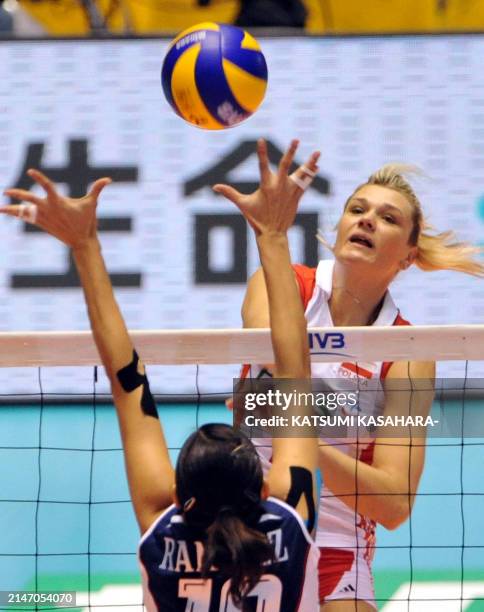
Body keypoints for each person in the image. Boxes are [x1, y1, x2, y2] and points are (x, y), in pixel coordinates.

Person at [1, 139, 321, 611]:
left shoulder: (162, 532)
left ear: (176, 493)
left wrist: (83, 244)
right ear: (265, 490)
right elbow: (294, 368)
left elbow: (127, 379)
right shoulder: (290, 522)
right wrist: (273, 235)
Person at [214, 156, 484, 611]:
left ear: (408, 256)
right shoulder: (283, 285)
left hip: (337, 539)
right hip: (243, 519)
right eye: (357, 209)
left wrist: (304, 442)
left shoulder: (408, 352)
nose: (367, 220)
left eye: (388, 217)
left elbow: (394, 503)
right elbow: (279, 362)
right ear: (339, 226)